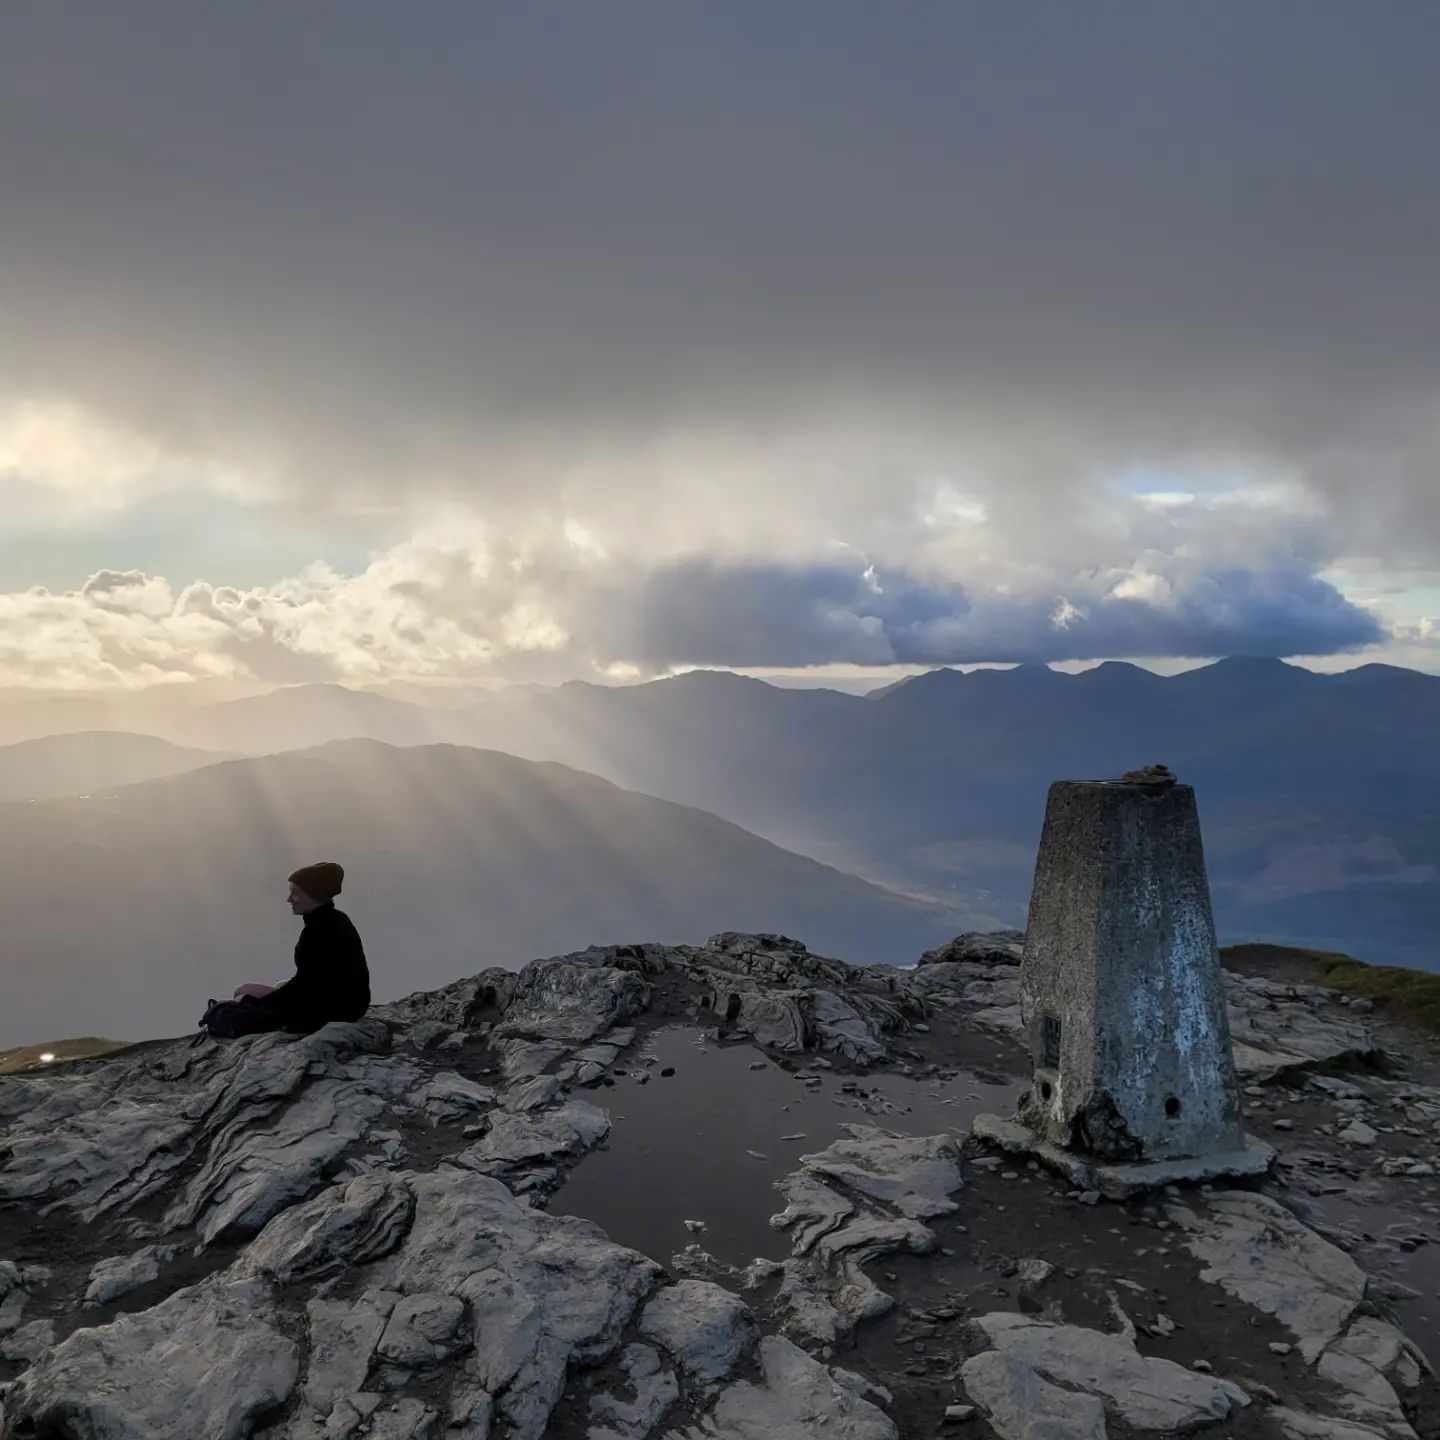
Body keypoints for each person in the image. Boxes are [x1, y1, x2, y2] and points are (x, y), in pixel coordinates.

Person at [223, 862, 370, 1035]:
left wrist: (258, 1004)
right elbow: (315, 980)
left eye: (295, 892)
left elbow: (306, 985)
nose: (289, 899)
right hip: (350, 1003)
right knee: (264, 989)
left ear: (313, 894)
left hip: (331, 1009)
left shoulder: (319, 931)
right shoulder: (336, 919)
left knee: (241, 996)